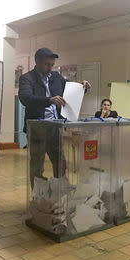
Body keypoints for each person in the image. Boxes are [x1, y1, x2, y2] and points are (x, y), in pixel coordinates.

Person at [19, 47, 91, 188]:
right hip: (37, 128)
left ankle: (60, 191)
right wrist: (49, 100)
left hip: (55, 127)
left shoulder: (56, 77)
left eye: (52, 65)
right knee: (37, 165)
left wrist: (83, 87)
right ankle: (38, 196)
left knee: (60, 162)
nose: (50, 68)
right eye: (47, 64)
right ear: (37, 62)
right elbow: (25, 98)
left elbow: (71, 91)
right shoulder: (27, 78)